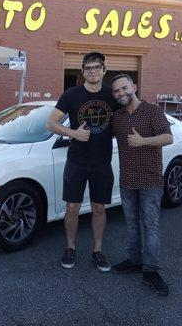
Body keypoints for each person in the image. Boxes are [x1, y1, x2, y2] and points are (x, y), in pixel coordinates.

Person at [47, 52, 119, 271]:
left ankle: (98, 250)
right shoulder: (71, 94)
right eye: (88, 68)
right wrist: (73, 134)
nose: (93, 71)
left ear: (104, 70)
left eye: (97, 67)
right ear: (83, 71)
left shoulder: (112, 95)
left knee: (99, 207)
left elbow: (131, 112)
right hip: (77, 160)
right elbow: (51, 123)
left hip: (102, 161)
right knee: (72, 207)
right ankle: (70, 248)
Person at [110, 74, 173, 296]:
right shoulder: (116, 117)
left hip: (150, 179)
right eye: (116, 91)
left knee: (151, 226)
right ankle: (135, 261)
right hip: (127, 179)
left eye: (124, 88)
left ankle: (151, 270)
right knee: (131, 224)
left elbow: (168, 137)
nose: (121, 93)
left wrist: (143, 141)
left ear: (134, 87)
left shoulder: (152, 111)